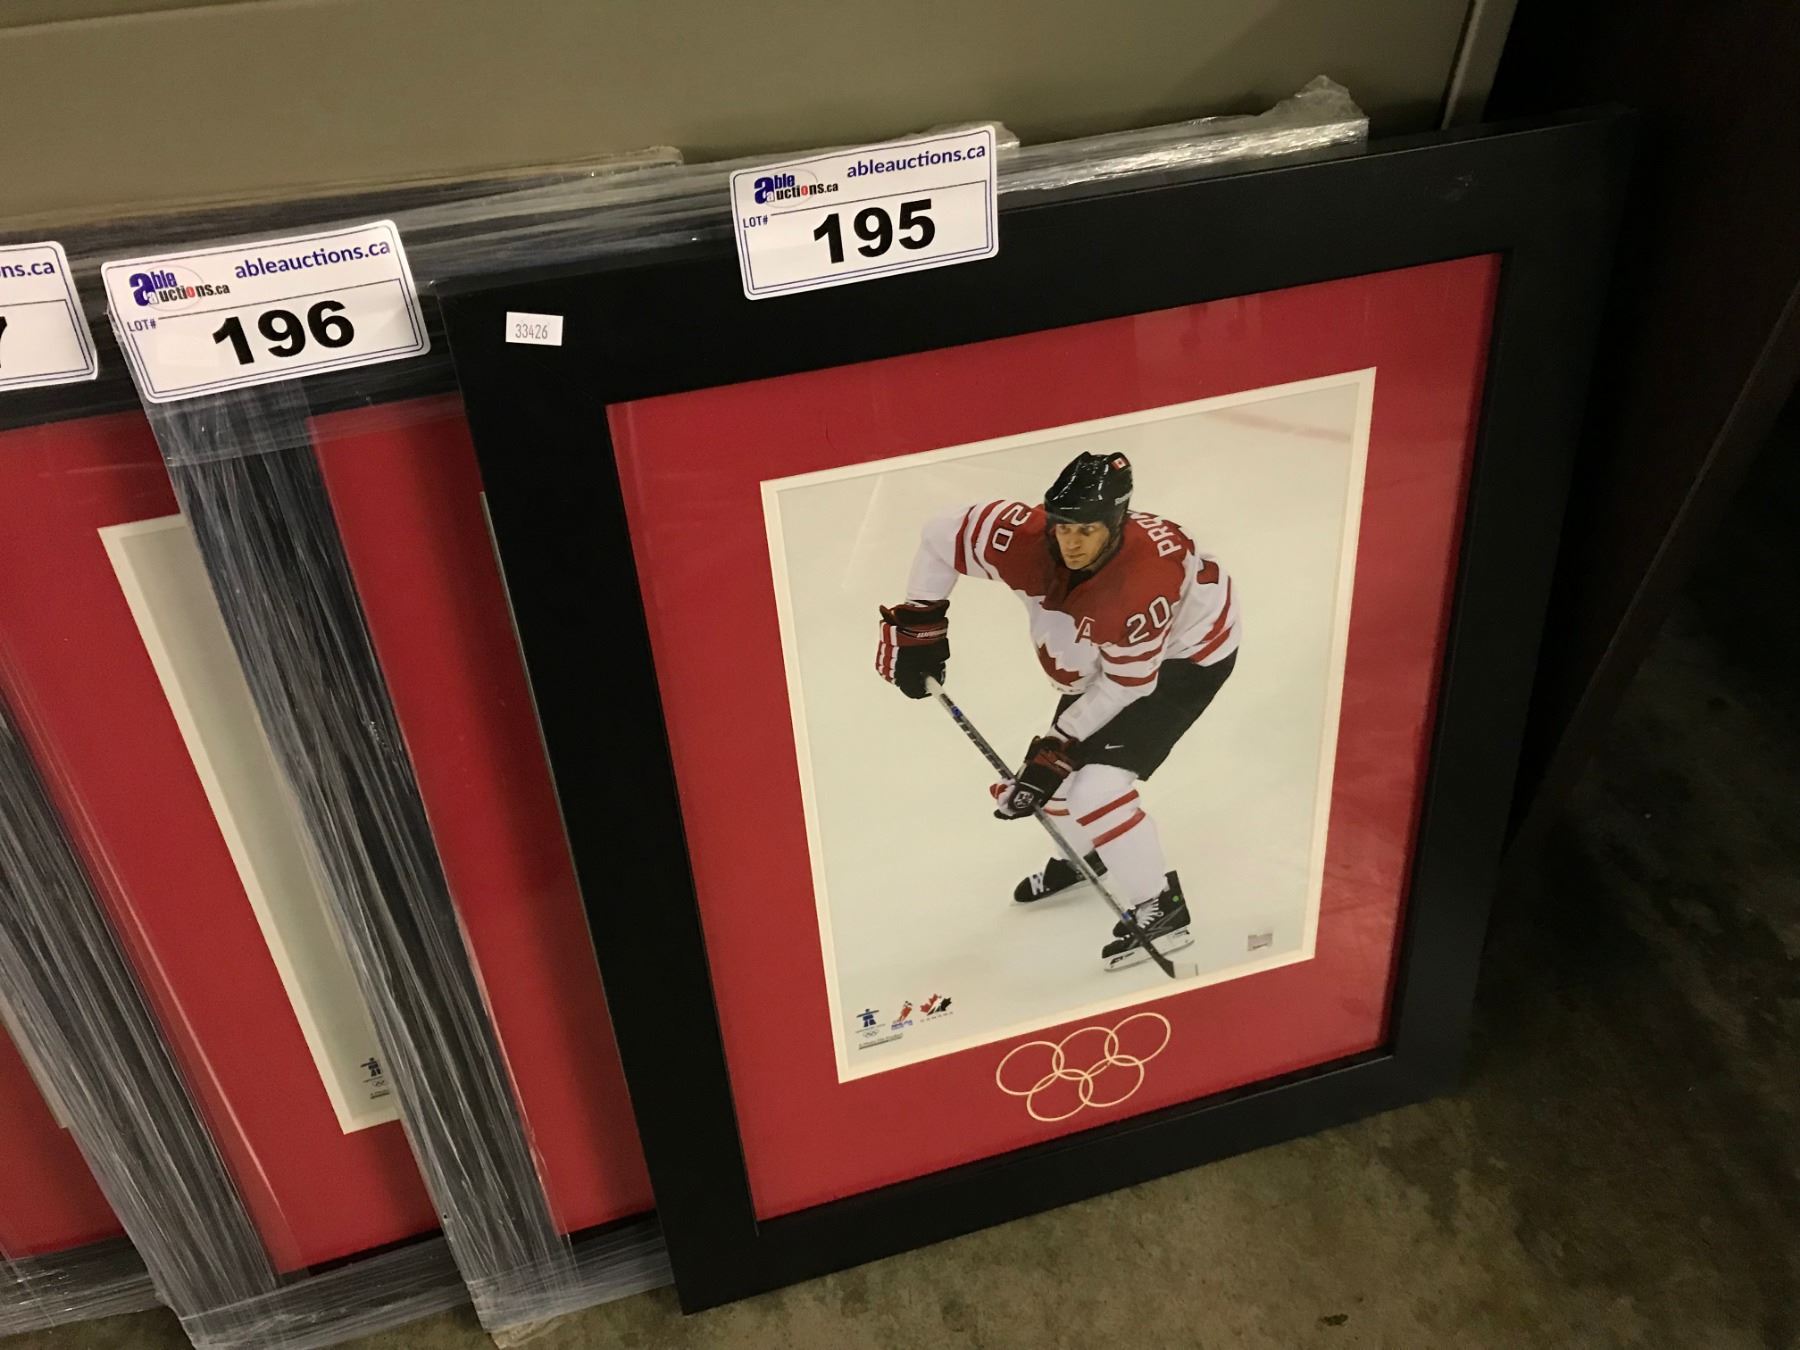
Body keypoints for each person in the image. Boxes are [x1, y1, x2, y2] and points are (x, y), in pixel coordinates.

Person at [875, 451, 1239, 970]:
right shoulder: (1023, 536)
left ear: (1116, 522)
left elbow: (1128, 686)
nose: (1070, 542)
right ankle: (1088, 851)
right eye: (1063, 527)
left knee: (1095, 788)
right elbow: (939, 536)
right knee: (1060, 777)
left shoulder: (1137, 589)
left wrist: (1055, 746)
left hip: (1187, 656)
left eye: (1086, 530)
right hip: (1113, 651)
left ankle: (1163, 907)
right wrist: (923, 620)